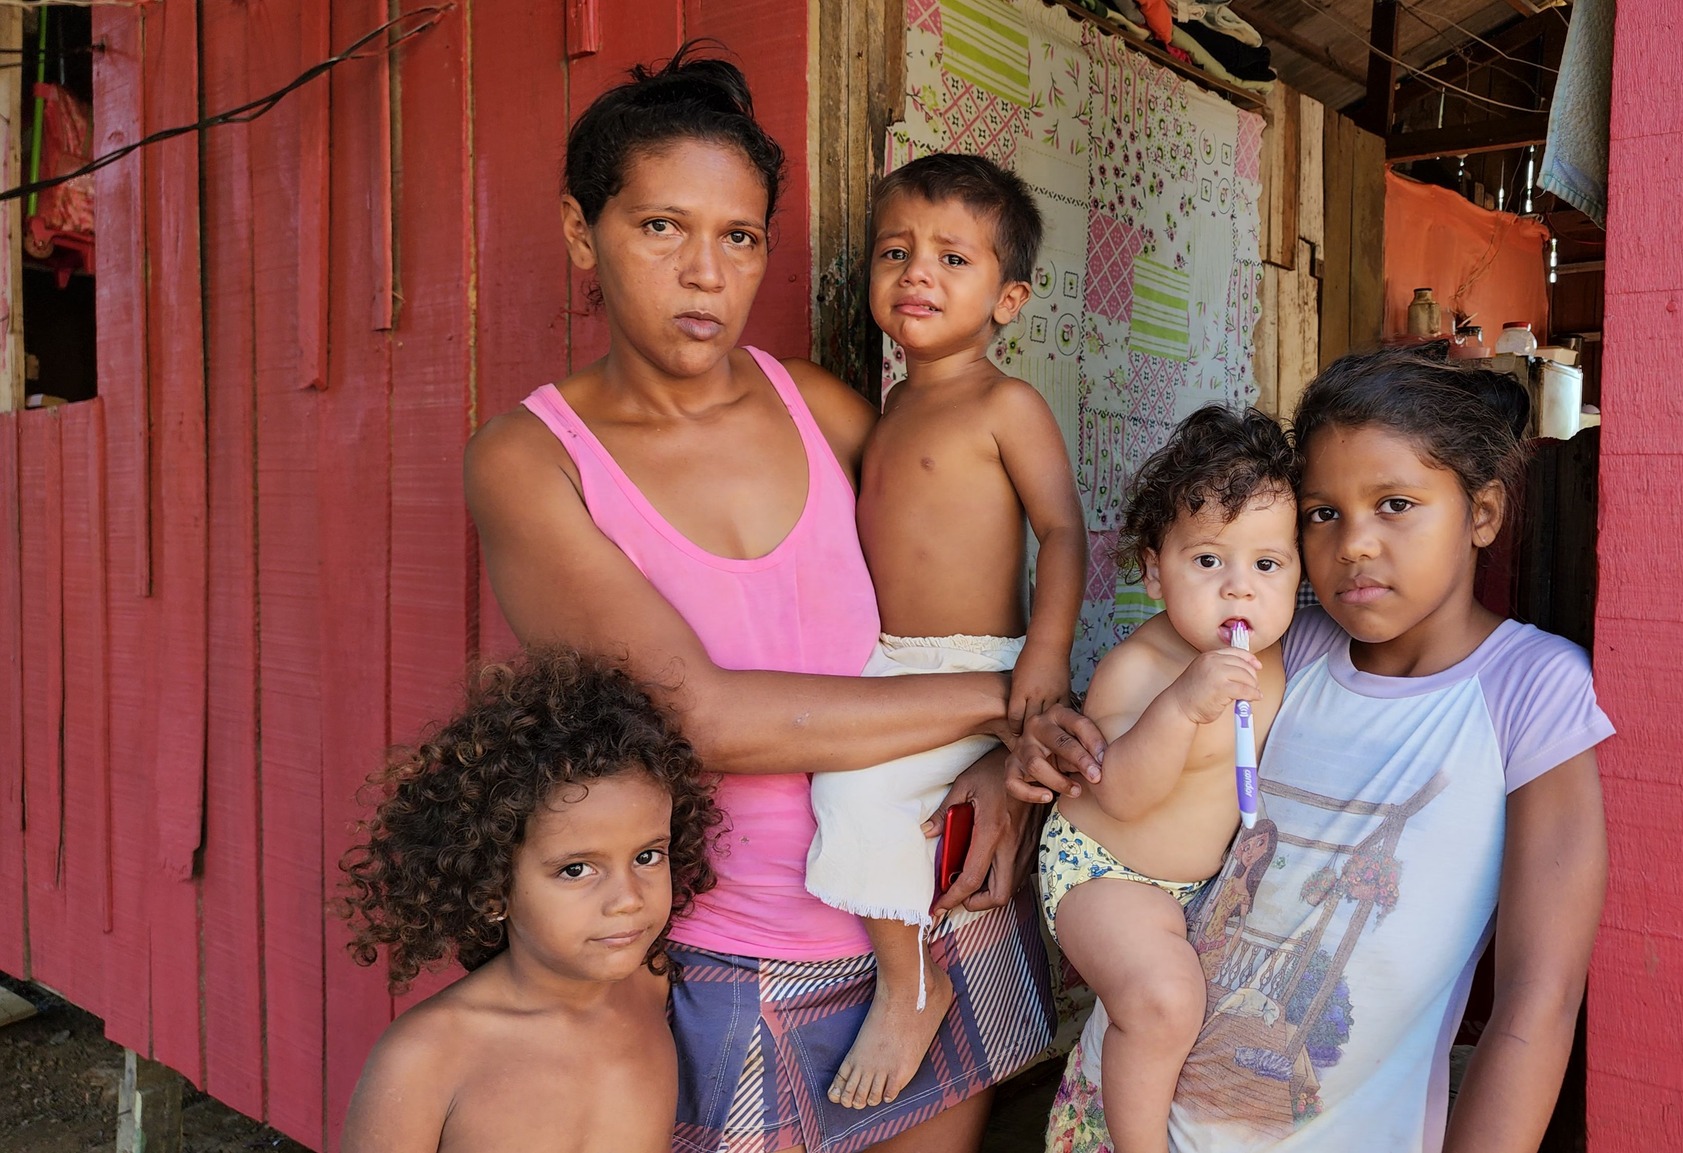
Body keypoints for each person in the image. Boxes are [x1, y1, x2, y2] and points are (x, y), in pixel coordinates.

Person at [463, 48, 1053, 1153]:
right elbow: (703, 719)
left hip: (938, 905)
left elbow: (970, 576)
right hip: (741, 955)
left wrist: (1003, 766)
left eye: (738, 237)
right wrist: (1011, 700)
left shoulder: (818, 407)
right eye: (660, 227)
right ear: (581, 232)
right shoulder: (534, 461)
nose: (704, 273)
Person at [1016, 347, 1613, 1153]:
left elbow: (1540, 999)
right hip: (1124, 1120)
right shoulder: (1285, 647)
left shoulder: (1528, 690)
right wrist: (1028, 744)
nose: (1355, 543)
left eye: (1395, 504)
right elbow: (1137, 705)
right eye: (1323, 514)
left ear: (1482, 512)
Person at [804, 152, 1086, 1112]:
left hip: (979, 661)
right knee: (837, 779)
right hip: (895, 664)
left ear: (1009, 299)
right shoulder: (891, 406)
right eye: (896, 251)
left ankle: (911, 985)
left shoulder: (1005, 403)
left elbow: (1062, 531)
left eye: (952, 259)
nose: (917, 272)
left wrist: (1044, 653)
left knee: (853, 792)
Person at [1036, 405, 1297, 1153]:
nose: (1239, 590)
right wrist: (1182, 706)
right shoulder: (1140, 667)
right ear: (1155, 571)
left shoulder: (1284, 656)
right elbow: (1120, 792)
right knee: (1163, 1000)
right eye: (1208, 561)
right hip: (1106, 871)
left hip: (1197, 887)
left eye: (1267, 565)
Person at [336, 650, 723, 1153]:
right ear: (492, 887)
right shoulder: (427, 1056)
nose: (628, 900)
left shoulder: (655, 985)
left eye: (647, 856)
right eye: (576, 869)